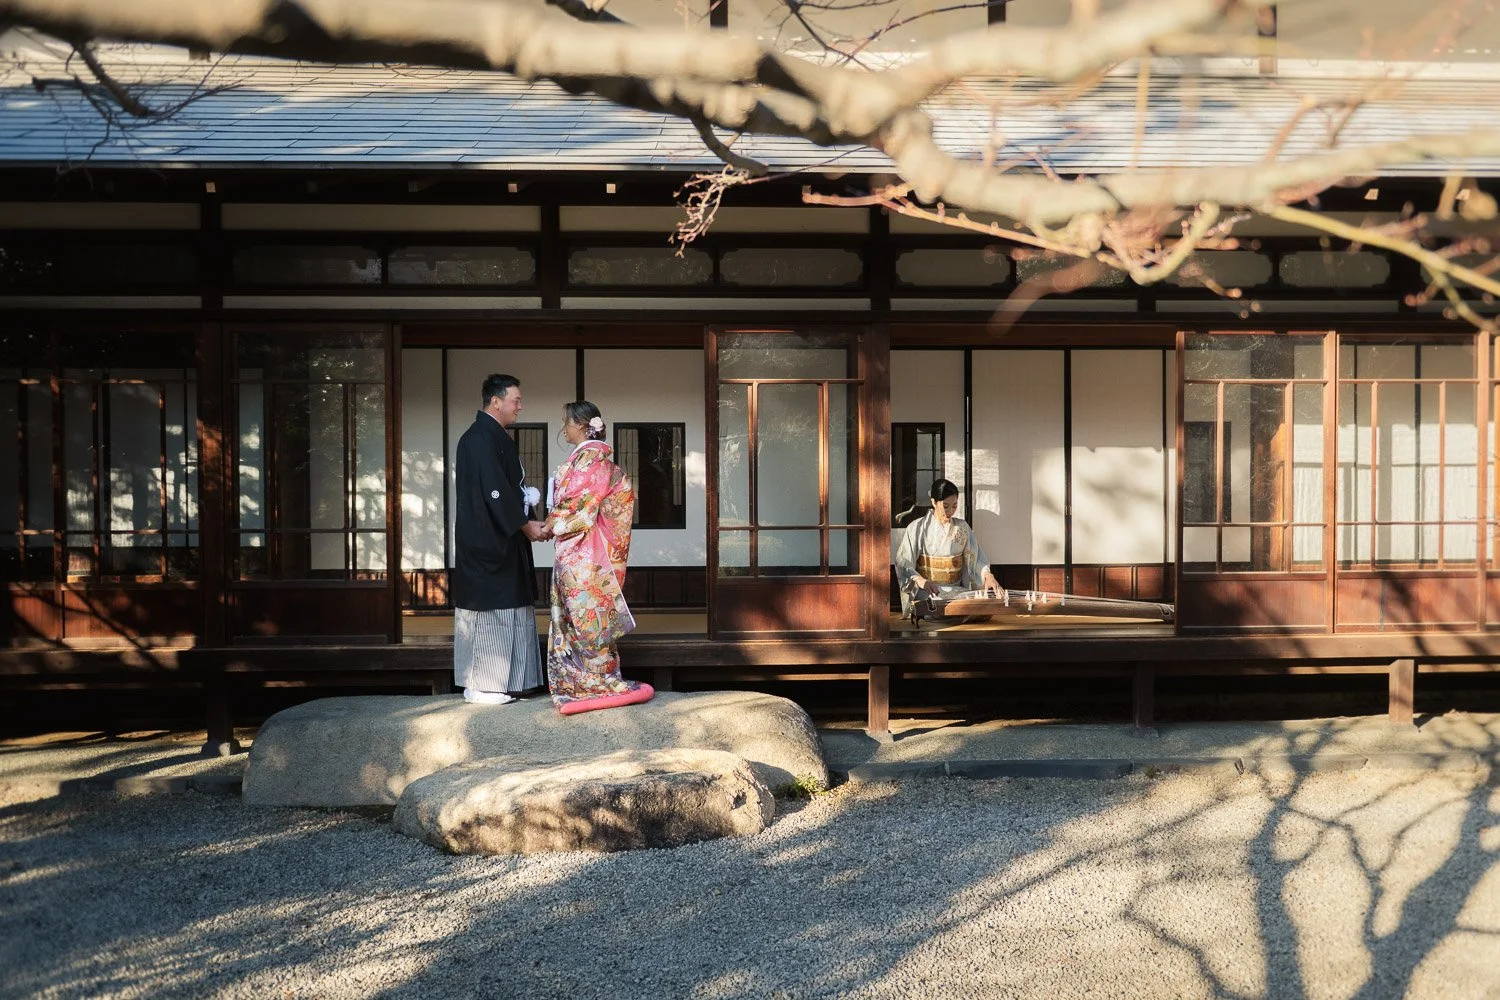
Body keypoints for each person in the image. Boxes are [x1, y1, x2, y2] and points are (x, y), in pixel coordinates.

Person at [543, 401, 654, 715]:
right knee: (580, 619)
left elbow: (581, 508)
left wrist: (550, 525)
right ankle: (582, 682)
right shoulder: (590, 459)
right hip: (582, 552)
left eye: (566, 422)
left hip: (586, 556)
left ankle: (593, 683)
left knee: (587, 619)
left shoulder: (593, 460)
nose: (563, 428)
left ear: (580, 425)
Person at [451, 374, 550, 705]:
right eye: (516, 400)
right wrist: (525, 525)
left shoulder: (493, 437)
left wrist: (525, 522)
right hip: (486, 542)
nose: (520, 406)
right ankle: (478, 685)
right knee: (487, 610)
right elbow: (496, 492)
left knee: (512, 607)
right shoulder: (478, 439)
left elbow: (508, 490)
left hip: (503, 539)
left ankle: (512, 680)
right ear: (496, 401)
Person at [894, 478, 999, 617]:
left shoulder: (962, 528)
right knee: (939, 606)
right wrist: (921, 581)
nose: (950, 511)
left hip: (956, 589)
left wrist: (987, 575)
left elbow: (976, 557)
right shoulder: (917, 528)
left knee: (979, 605)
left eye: (954, 506)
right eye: (946, 506)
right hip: (928, 590)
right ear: (934, 502)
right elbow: (903, 561)